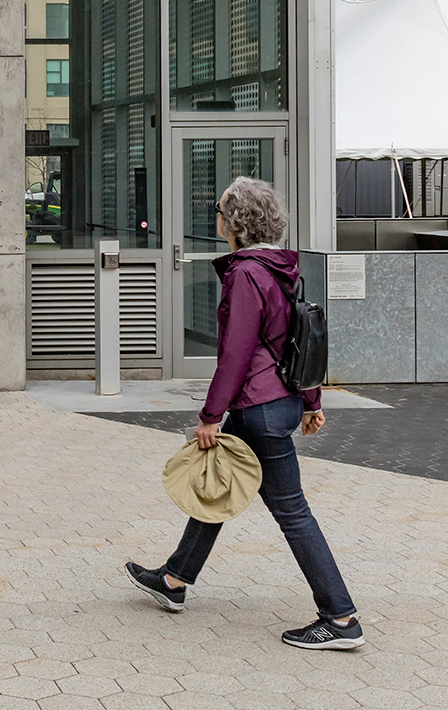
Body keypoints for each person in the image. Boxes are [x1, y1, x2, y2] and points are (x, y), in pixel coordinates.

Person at [124, 176, 363, 652]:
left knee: (292, 512)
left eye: (218, 209)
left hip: (259, 408)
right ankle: (174, 578)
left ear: (236, 222)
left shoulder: (247, 274)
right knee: (219, 485)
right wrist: (311, 402)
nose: (214, 215)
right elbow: (302, 339)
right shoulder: (282, 267)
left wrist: (211, 415)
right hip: (277, 402)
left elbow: (235, 353)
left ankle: (340, 616)